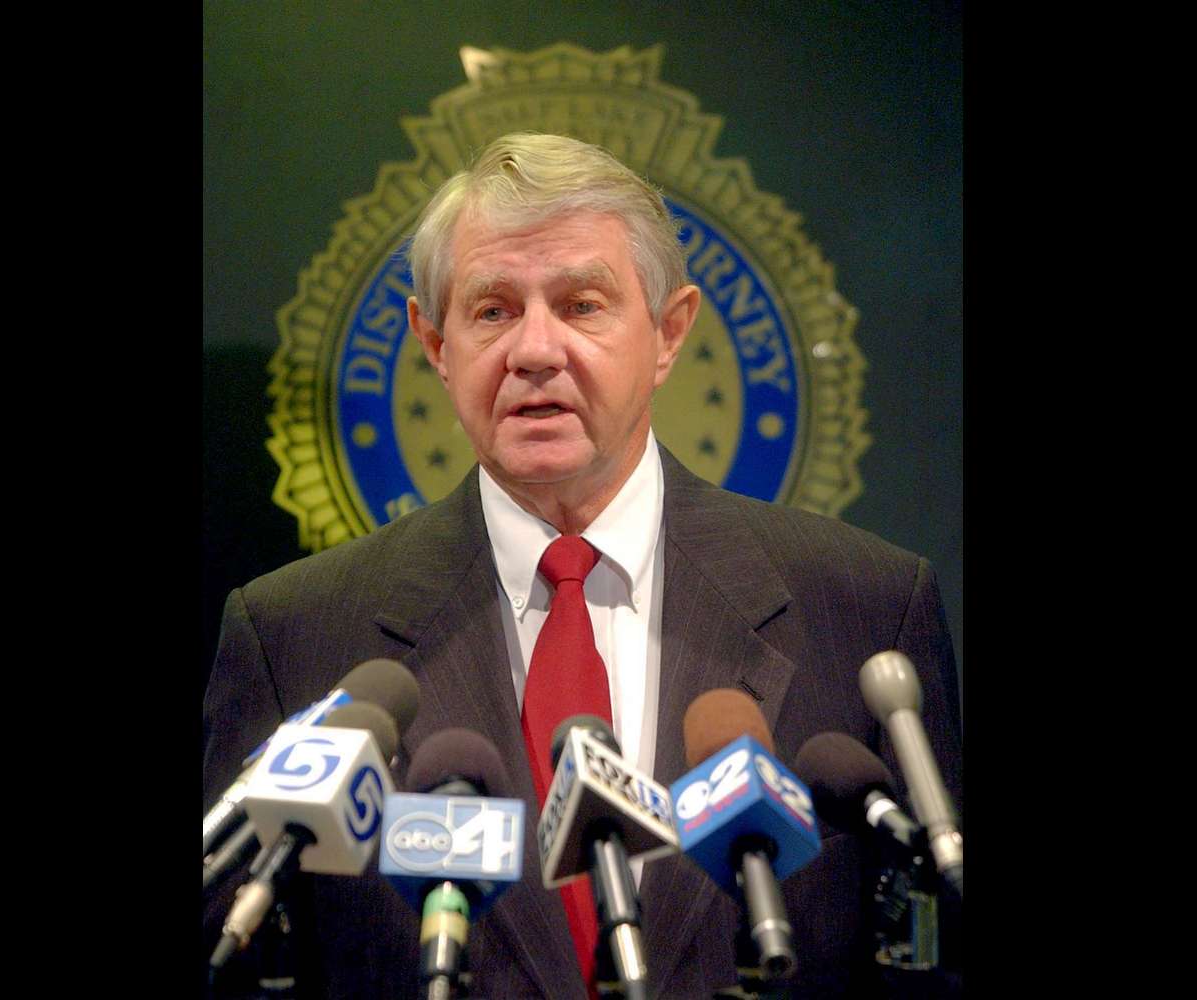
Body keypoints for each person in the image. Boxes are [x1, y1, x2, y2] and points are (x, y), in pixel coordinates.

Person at [203, 132, 963, 999]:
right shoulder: (293, 637)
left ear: (670, 333)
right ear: (434, 343)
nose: (534, 350)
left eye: (582, 304)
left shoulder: (865, 608)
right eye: (492, 310)